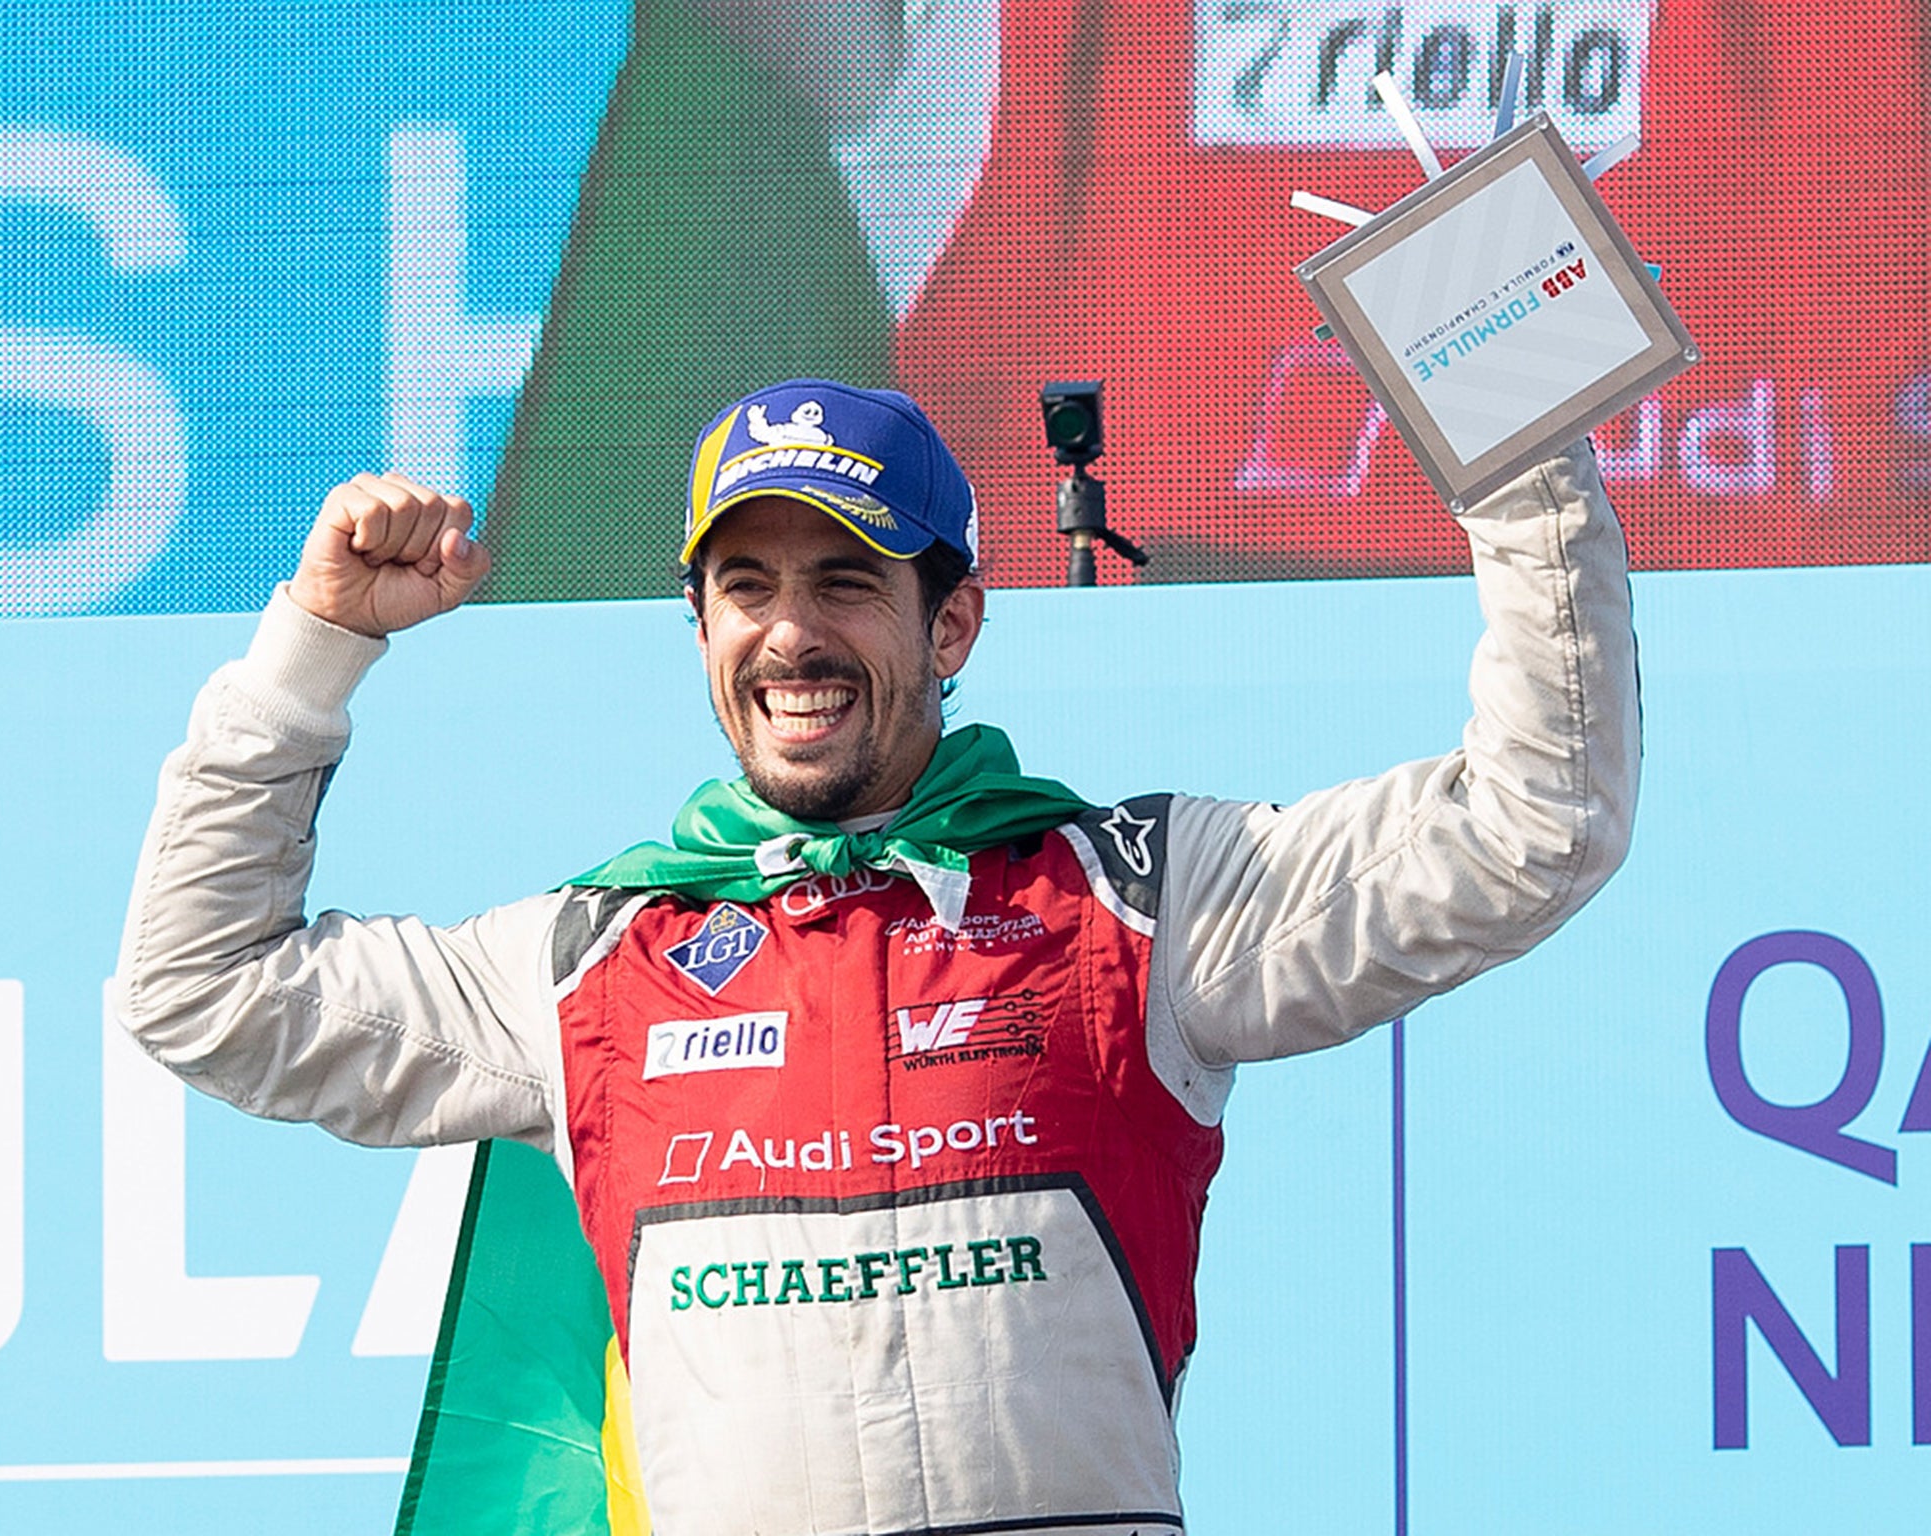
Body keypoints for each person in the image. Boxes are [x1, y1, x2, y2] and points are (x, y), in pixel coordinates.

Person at [116, 377, 1640, 1534]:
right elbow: (202, 994)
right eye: (747, 586)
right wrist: (313, 647)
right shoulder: (595, 959)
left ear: (954, 620)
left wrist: (1516, 440)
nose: (791, 633)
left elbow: (1535, 820)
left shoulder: (1136, 901)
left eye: (846, 581)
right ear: (700, 628)